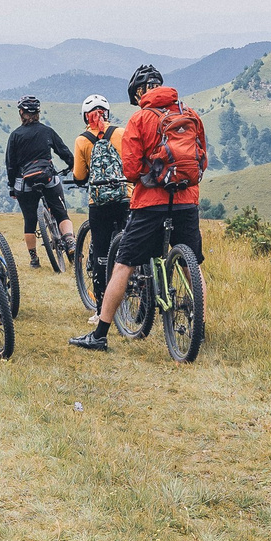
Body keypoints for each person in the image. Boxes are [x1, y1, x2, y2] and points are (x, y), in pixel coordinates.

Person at [70, 64, 206, 351]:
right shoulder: (190, 114)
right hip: (186, 201)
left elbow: (131, 170)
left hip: (151, 205)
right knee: (192, 263)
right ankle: (200, 327)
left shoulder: (140, 119)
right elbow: (201, 159)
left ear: (141, 92)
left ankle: (100, 334)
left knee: (123, 264)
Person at [70, 94, 128, 304]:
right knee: (130, 246)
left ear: (85, 116)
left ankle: (101, 306)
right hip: (126, 196)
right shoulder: (121, 133)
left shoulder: (82, 140)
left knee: (100, 253)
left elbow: (79, 175)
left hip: (99, 202)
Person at [5, 97, 75, 247]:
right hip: (48, 178)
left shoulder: (15, 136)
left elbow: (11, 165)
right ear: (38, 113)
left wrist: (11, 187)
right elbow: (63, 151)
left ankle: (33, 257)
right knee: (61, 213)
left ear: (21, 113)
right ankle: (70, 241)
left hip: (25, 184)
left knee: (30, 221)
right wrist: (72, 165)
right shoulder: (47, 131)